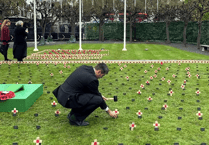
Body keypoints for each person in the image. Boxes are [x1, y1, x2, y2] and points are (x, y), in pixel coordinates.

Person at [53, 63, 118, 126]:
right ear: (99, 72)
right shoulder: (92, 79)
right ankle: (76, 119)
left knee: (91, 97)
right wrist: (109, 111)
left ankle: (72, 114)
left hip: (62, 94)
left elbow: (89, 89)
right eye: (102, 75)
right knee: (97, 100)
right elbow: (99, 98)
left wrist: (99, 95)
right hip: (68, 100)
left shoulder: (84, 67)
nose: (101, 77)